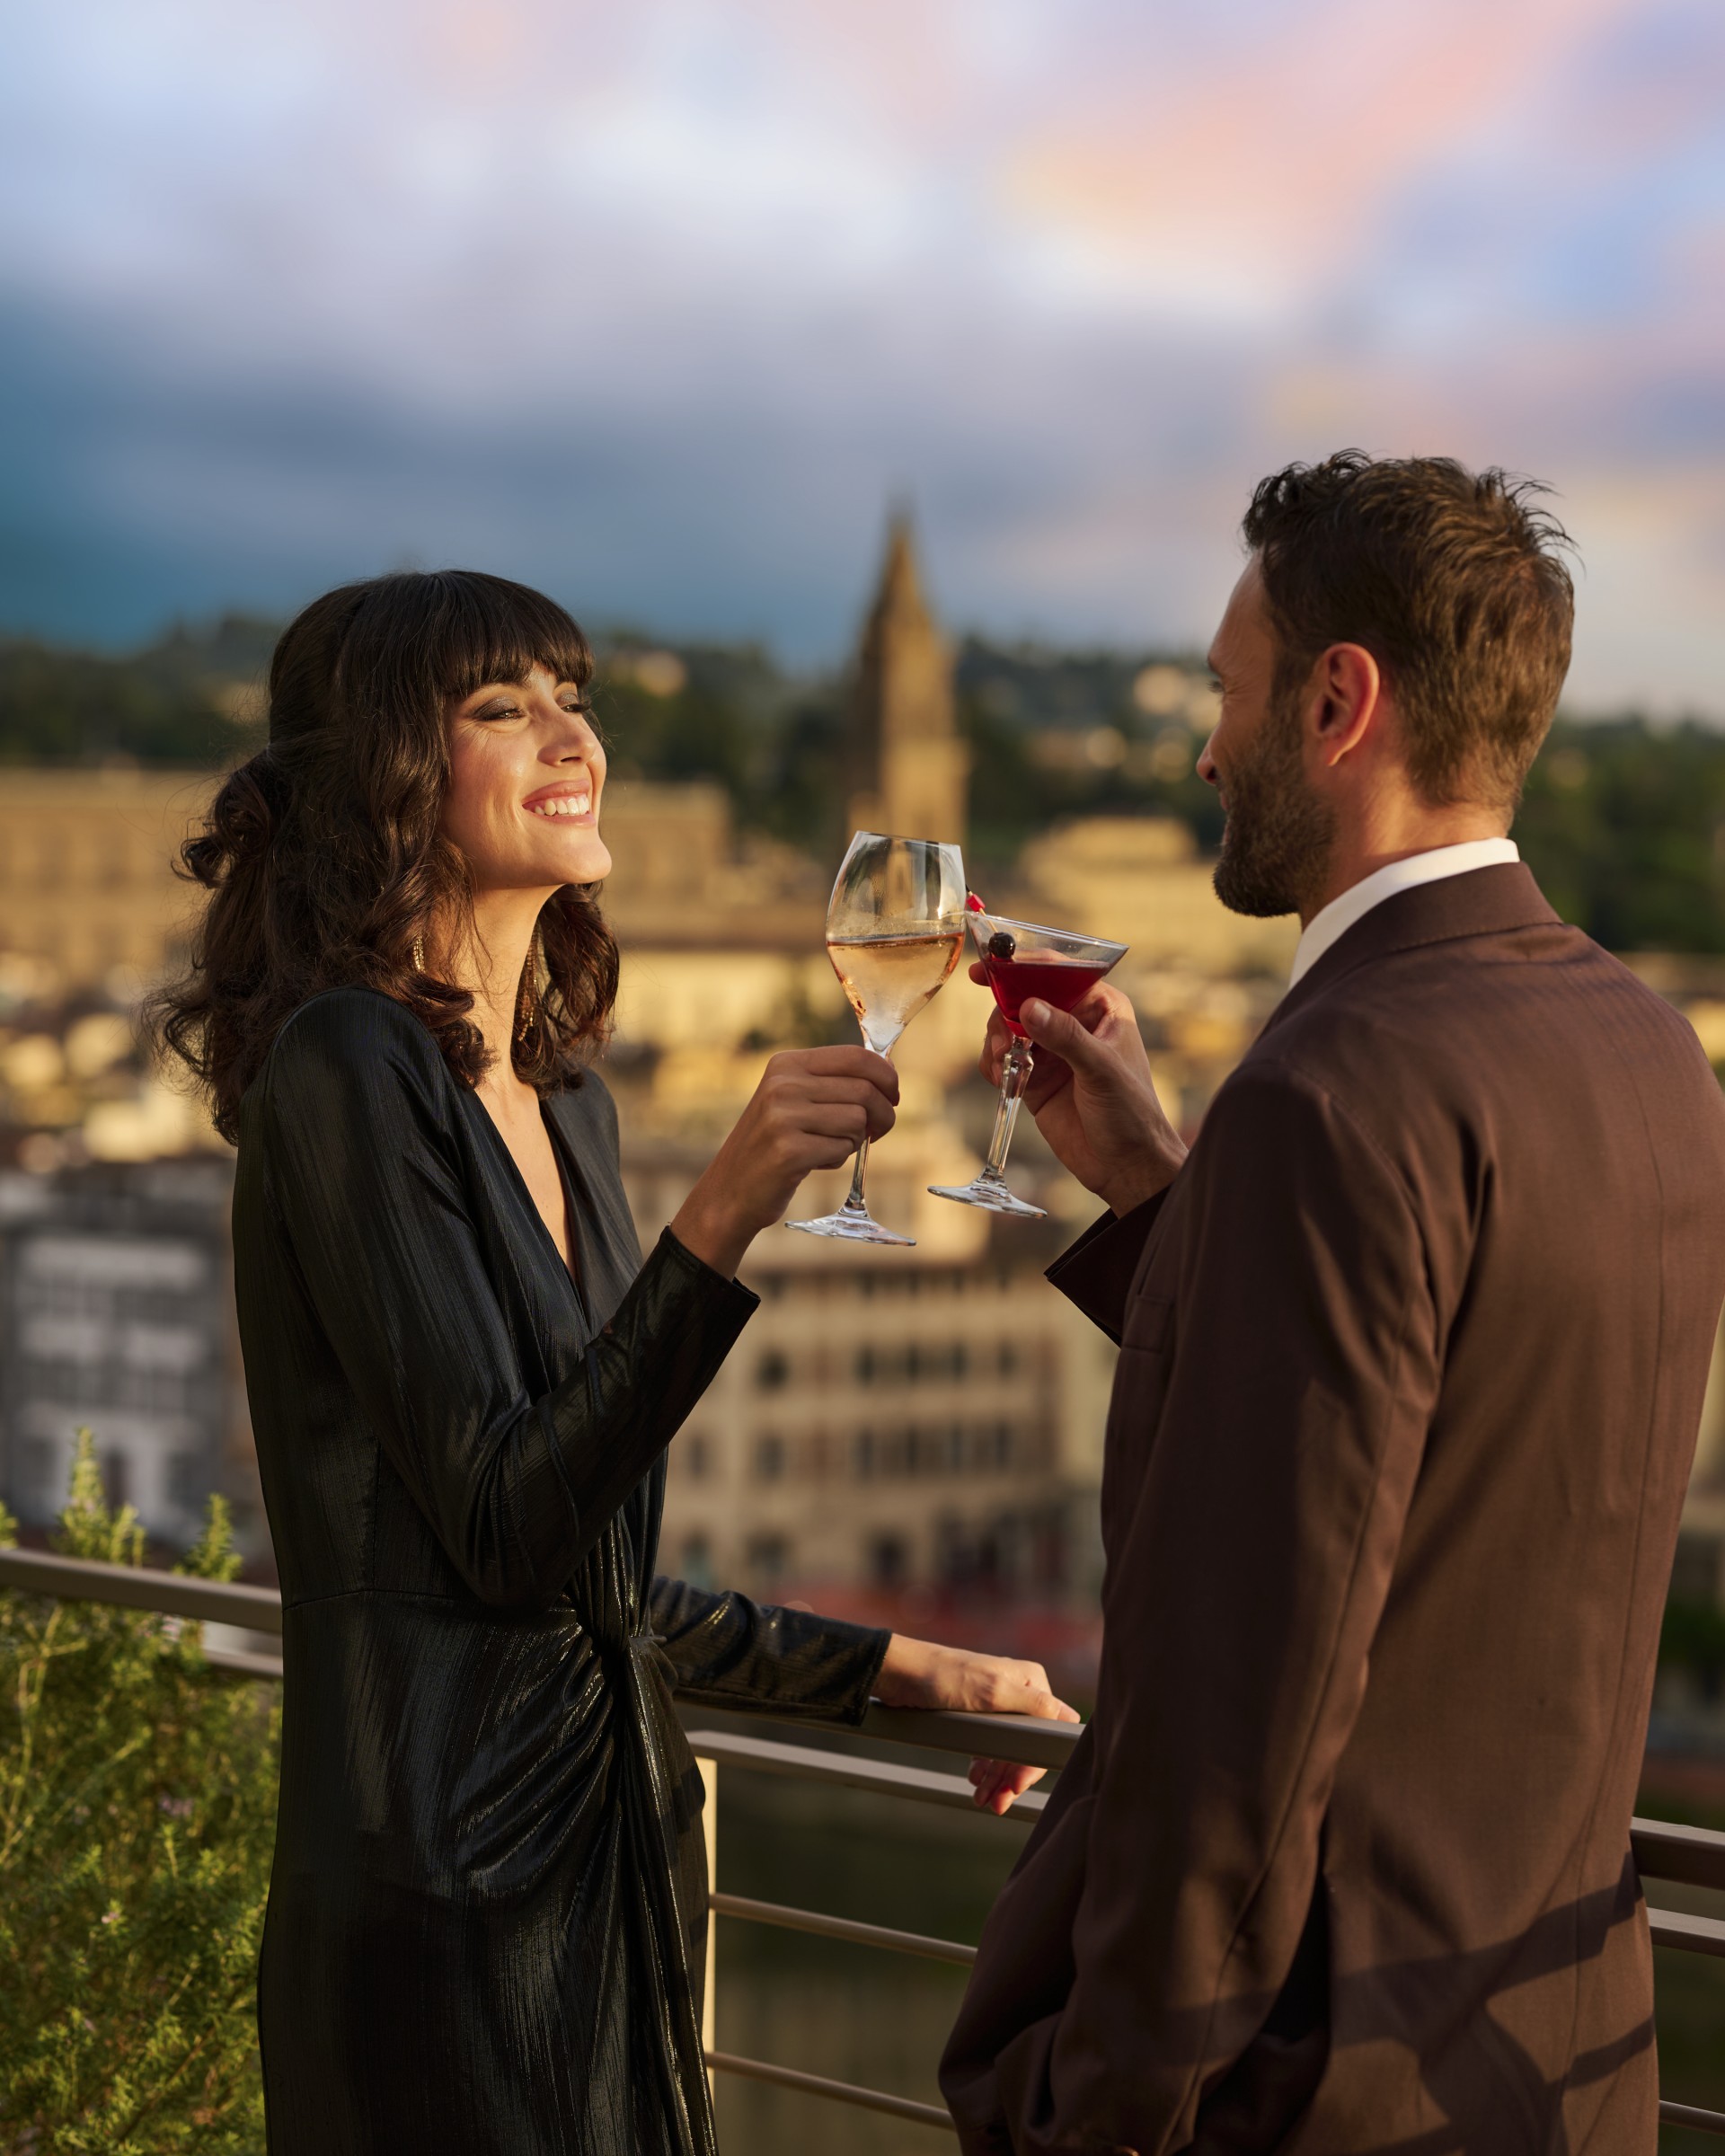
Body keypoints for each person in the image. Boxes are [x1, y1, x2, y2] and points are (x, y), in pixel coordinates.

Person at [156, 569, 1075, 2156]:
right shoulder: (347, 1066)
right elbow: (507, 1525)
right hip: (445, 1922)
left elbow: (589, 1578)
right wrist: (723, 1213)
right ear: (388, 776)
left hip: (615, 1881)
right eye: (500, 708)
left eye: (572, 695)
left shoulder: (567, 1098)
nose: (570, 734)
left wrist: (906, 1670)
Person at [939, 454, 1725, 2154]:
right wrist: (1169, 1198)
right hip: (1552, 2061)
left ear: (1338, 702)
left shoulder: (1333, 1087)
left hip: (1312, 2089)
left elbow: (1242, 1708)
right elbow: (1455, 1460)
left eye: (1230, 696)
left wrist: (1113, 2112)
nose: (1207, 749)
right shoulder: (1646, 1045)